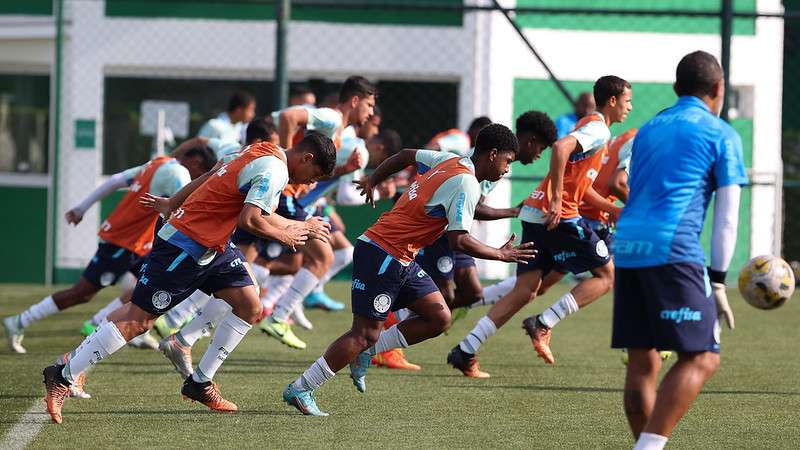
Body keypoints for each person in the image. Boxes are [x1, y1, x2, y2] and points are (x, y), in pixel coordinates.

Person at [41, 134, 336, 424]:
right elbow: (251, 220)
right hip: (184, 245)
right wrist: (286, 234)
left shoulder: (261, 151)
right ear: (306, 158)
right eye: (314, 176)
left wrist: (172, 203)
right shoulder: (275, 171)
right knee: (138, 321)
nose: (310, 183)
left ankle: (200, 383)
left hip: (213, 245)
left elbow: (211, 175)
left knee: (249, 304)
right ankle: (62, 375)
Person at [282, 124, 535, 416]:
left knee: (439, 317)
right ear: (492, 155)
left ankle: (365, 355)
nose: (507, 169)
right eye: (507, 161)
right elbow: (459, 239)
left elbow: (405, 155)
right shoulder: (466, 182)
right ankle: (302, 387)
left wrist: (374, 179)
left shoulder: (450, 160)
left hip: (401, 256)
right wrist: (500, 254)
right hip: (383, 253)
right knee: (364, 333)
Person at [447, 76, 632, 378]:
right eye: (628, 100)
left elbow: (581, 186)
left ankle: (465, 349)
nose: (630, 107)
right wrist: (558, 200)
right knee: (607, 275)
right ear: (612, 101)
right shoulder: (598, 128)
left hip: (535, 214)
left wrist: (613, 210)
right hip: (557, 217)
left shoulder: (592, 128)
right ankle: (543, 323)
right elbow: (559, 148)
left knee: (525, 291)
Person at [612, 50, 744, 450]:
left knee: (643, 361)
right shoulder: (720, 133)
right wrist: (718, 280)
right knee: (703, 357)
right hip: (674, 249)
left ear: (675, 88)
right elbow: (727, 216)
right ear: (719, 89)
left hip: (629, 248)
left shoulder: (650, 127)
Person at [3, 147, 216, 354]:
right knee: (82, 293)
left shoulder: (157, 162)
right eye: (201, 174)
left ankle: (109, 325)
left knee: (150, 284)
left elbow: (115, 181)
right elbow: (185, 206)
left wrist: (81, 208)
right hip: (122, 241)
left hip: (137, 243)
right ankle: (21, 320)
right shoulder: (179, 173)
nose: (198, 180)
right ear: (197, 164)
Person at [260, 76, 376, 349]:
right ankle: (277, 315)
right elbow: (288, 116)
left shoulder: (341, 133)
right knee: (321, 256)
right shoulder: (331, 118)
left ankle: (275, 312)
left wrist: (345, 171)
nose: (371, 113)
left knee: (252, 258)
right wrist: (285, 161)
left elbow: (312, 175)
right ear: (355, 100)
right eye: (369, 105)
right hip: (281, 192)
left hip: (287, 194)